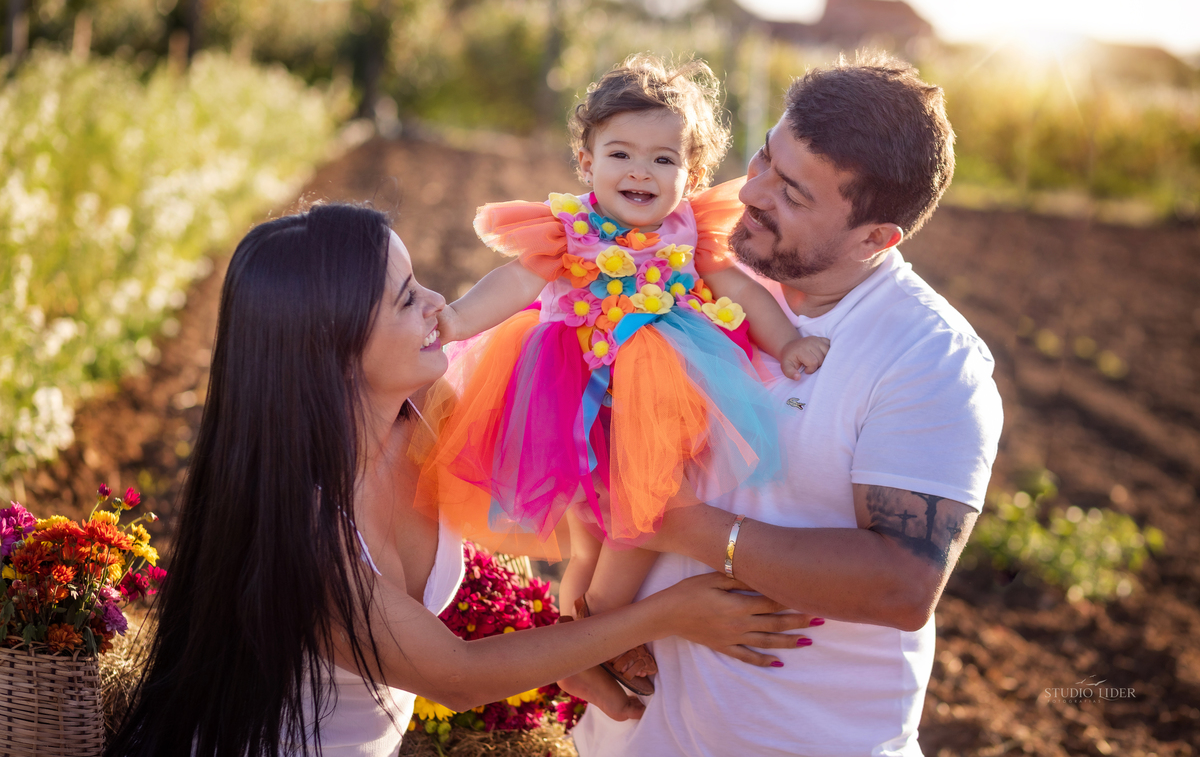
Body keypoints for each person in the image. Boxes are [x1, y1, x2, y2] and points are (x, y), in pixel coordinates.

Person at [104, 204, 815, 756]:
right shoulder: (304, 528)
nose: (437, 300)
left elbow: (563, 451)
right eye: (406, 296)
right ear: (331, 344)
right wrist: (671, 611)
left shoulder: (422, 417)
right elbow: (454, 676)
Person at [572, 55, 1005, 756]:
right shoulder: (693, 272)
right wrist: (585, 604)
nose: (752, 192)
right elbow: (600, 425)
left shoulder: (926, 358)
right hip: (632, 736)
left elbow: (900, 585)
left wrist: (679, 524)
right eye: (765, 157)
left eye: (793, 194)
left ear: (875, 238)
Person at [419, 55, 829, 694]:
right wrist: (457, 319)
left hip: (655, 399)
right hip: (565, 393)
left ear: (690, 174)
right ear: (586, 163)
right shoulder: (568, 227)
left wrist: (788, 340)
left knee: (641, 513)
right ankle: (584, 634)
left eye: (663, 160)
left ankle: (609, 623)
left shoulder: (691, 231)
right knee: (588, 534)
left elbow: (740, 295)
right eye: (620, 154)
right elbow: (513, 282)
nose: (640, 171)